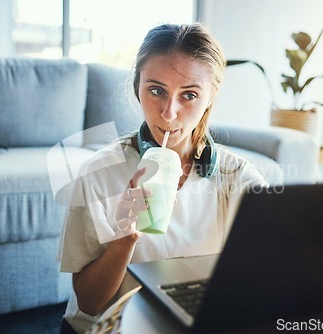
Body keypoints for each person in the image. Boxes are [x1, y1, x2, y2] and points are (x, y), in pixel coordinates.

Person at [58, 22, 268, 333]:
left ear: (210, 97)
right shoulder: (98, 173)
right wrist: (125, 238)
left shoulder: (234, 176)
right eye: (156, 90)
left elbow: (280, 256)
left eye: (189, 95)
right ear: (137, 87)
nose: (169, 113)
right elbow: (89, 303)